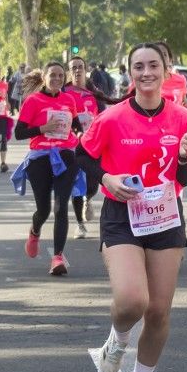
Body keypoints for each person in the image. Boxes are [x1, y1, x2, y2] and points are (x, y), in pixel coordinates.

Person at [78, 42, 187, 372]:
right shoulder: (112, 117)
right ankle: (116, 340)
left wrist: (182, 157)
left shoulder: (182, 118)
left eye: (153, 66)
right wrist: (106, 178)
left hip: (164, 217)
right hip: (122, 217)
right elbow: (83, 155)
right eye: (138, 67)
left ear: (166, 69)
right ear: (130, 72)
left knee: (159, 310)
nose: (146, 73)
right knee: (133, 300)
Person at [14, 62, 81, 275]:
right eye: (53, 75)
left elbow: (77, 125)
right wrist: (43, 128)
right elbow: (19, 133)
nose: (57, 79)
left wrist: (81, 131)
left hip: (65, 156)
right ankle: (35, 232)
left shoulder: (69, 99)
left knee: (61, 207)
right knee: (43, 209)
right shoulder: (33, 101)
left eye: (61, 75)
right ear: (44, 77)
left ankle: (57, 257)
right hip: (40, 158)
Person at [65, 56, 109, 238]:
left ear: (85, 70)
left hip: (92, 146)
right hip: (71, 146)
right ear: (70, 71)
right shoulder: (64, 92)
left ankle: (88, 199)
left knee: (91, 186)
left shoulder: (94, 94)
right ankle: (80, 225)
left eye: (80, 67)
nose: (77, 70)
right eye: (73, 67)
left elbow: (105, 118)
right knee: (76, 185)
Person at [157, 42, 187, 108]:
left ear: (170, 59)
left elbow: (184, 102)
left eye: (164, 54)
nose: (161, 57)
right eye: (157, 54)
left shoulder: (181, 79)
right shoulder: (147, 81)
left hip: (178, 117)